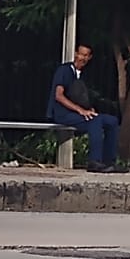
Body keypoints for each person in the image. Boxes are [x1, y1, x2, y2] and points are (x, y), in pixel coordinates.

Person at [48, 44, 119, 172]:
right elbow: (59, 96)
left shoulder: (83, 75)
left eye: (86, 55)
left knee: (111, 121)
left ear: (90, 57)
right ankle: (95, 161)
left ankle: (109, 162)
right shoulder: (64, 70)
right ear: (76, 54)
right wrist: (80, 110)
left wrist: (89, 109)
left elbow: (80, 97)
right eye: (81, 54)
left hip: (77, 114)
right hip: (63, 114)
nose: (83, 58)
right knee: (95, 121)